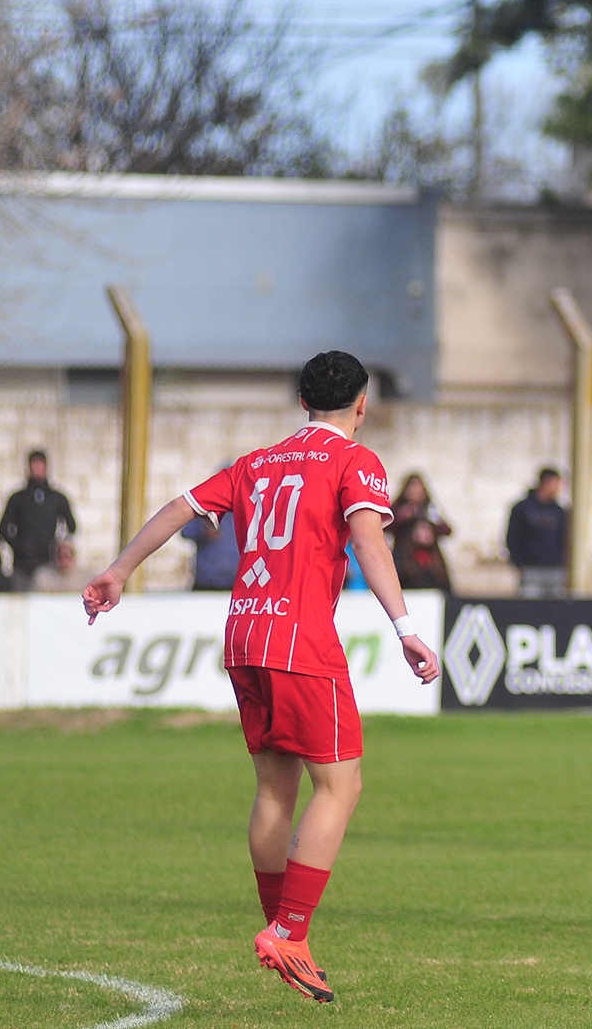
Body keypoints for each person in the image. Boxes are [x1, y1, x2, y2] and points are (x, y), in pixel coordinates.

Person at [79, 350, 440, 1006]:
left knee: (276, 789)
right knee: (341, 784)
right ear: (363, 402)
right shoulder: (356, 460)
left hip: (245, 632)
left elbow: (179, 506)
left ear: (302, 400)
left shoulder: (258, 461)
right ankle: (290, 932)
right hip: (302, 639)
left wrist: (117, 570)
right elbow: (368, 539)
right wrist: (405, 626)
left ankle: (284, 930)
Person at [0, 449, 77, 591]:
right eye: (34, 465)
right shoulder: (18, 498)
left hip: (48, 563)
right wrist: (18, 546)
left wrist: (57, 547)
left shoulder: (57, 498)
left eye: (40, 465)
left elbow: (72, 526)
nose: (37, 469)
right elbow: (3, 528)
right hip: (22, 565)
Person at [505, 468, 570, 598]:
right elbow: (512, 536)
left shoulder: (559, 512)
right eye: (555, 484)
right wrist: (519, 562)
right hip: (530, 570)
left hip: (555, 570)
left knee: (555, 611)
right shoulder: (523, 508)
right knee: (530, 611)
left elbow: (565, 539)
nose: (558, 489)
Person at [183, 462, 241, 591]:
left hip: (236, 585)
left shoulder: (248, 510)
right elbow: (185, 532)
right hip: (206, 583)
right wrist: (202, 531)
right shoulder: (206, 507)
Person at [390, 474, 452, 591]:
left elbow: (447, 530)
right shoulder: (399, 508)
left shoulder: (430, 509)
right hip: (404, 561)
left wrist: (430, 529)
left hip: (428, 561)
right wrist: (401, 516)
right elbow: (385, 526)